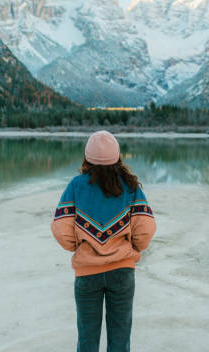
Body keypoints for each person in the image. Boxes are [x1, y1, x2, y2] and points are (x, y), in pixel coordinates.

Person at [51, 130, 157, 352]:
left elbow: (61, 229)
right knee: (120, 341)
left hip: (87, 274)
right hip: (122, 272)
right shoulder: (130, 187)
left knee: (87, 342)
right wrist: (131, 247)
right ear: (117, 157)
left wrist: (79, 247)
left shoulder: (76, 186)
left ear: (87, 158)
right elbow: (145, 229)